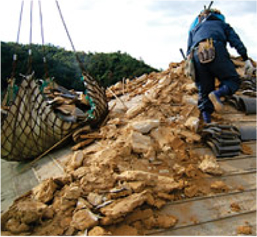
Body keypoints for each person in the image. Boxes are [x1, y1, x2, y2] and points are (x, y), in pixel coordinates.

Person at [186, 7, 255, 123]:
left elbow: (188, 52)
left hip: (197, 54)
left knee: (204, 90)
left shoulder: (195, 28)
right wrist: (245, 57)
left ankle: (207, 122)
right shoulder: (222, 25)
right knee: (232, 80)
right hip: (215, 48)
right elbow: (236, 41)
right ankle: (217, 93)